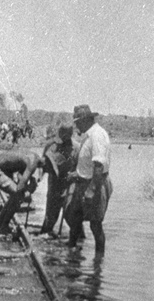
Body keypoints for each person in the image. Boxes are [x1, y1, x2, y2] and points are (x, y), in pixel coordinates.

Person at [64, 104, 112, 257]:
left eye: (77, 121)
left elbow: (98, 166)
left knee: (95, 225)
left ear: (85, 120)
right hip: (83, 182)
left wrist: (91, 190)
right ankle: (72, 252)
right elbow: (88, 165)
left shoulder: (97, 135)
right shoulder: (88, 135)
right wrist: (76, 174)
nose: (76, 125)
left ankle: (98, 264)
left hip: (95, 184)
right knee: (74, 216)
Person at [0, 151, 43, 234]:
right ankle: (3, 226)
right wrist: (29, 190)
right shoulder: (33, 162)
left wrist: (28, 186)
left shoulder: (32, 157)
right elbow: (20, 187)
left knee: (16, 196)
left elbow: (20, 177)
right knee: (18, 196)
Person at [38, 125, 79, 237]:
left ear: (70, 136)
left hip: (69, 184)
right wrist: (40, 176)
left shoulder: (76, 148)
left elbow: (80, 169)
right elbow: (42, 163)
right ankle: (46, 233)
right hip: (54, 182)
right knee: (50, 213)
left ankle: (78, 240)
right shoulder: (50, 145)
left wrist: (73, 175)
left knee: (70, 214)